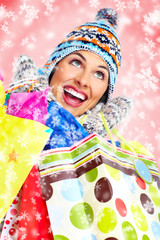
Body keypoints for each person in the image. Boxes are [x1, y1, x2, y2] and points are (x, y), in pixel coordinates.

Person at [1, 8, 133, 239]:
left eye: (99, 74)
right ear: (54, 66)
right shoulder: (8, 114)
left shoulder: (110, 157)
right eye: (76, 62)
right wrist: (18, 113)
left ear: (104, 93)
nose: (82, 80)